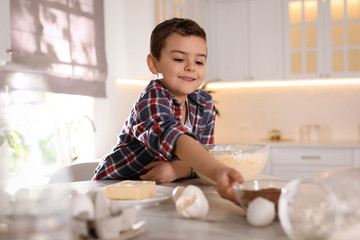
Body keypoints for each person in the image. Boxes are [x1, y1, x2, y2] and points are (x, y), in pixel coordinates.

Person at [93, 18, 243, 203]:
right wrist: (217, 169)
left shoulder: (204, 104)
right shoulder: (152, 98)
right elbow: (173, 136)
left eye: (199, 61)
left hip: (160, 192)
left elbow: (203, 154)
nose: (190, 67)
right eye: (179, 59)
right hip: (113, 190)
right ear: (154, 64)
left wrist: (179, 169)